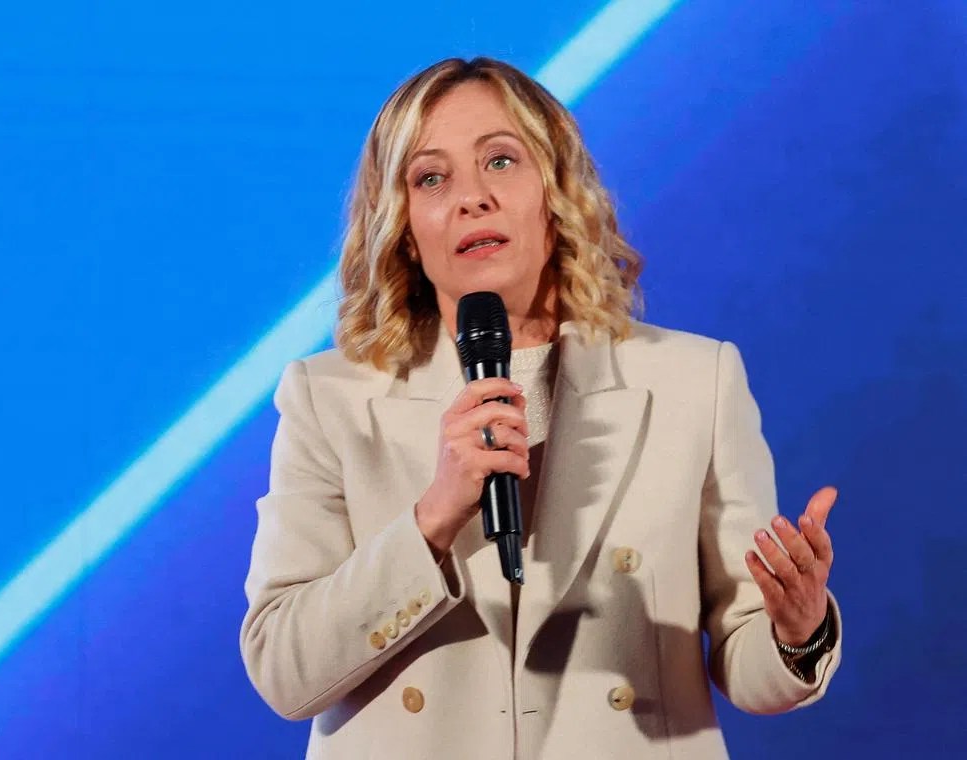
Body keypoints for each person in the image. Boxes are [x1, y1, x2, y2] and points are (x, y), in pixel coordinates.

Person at [239, 57, 841, 759]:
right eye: (431, 177)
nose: (472, 198)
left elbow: (748, 658)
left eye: (500, 161)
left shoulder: (694, 379)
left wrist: (798, 632)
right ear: (405, 226)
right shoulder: (331, 396)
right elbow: (282, 671)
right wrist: (432, 520)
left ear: (556, 189)